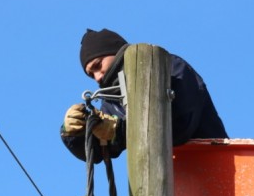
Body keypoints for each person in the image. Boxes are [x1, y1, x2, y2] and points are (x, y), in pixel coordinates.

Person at [60, 28, 228, 163]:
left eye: (98, 66)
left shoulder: (169, 69)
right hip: (167, 187)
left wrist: (119, 130)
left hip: (214, 168)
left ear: (114, 52)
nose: (97, 77)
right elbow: (99, 150)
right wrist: (75, 132)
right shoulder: (112, 102)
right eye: (91, 75)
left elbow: (180, 126)